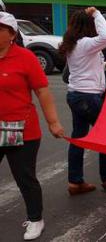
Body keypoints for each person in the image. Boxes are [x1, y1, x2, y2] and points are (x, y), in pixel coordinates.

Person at [0, 12, 65, 240]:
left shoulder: (26, 58)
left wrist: (54, 122)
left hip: (21, 129)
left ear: (11, 34)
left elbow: (43, 92)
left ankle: (36, 219)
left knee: (24, 177)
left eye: (0, 29)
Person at [58, 7, 106, 196]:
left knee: (79, 138)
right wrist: (97, 14)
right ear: (90, 25)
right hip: (87, 96)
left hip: (77, 94)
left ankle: (75, 181)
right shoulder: (86, 43)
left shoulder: (75, 44)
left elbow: (85, 65)